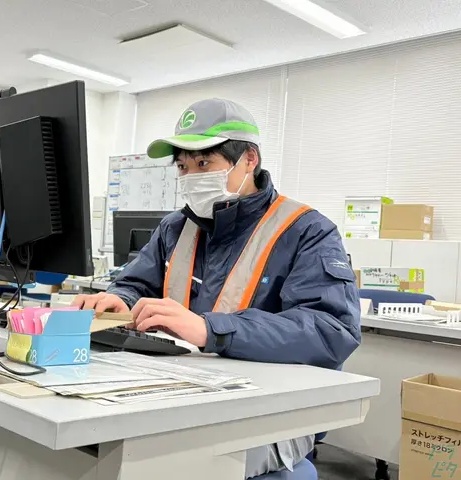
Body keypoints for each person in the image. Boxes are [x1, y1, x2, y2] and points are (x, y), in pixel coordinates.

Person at [73, 99, 361, 478]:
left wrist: (212, 329)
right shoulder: (176, 228)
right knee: (90, 449)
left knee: (166, 464)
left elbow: (332, 330)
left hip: (271, 416)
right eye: (182, 166)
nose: (191, 176)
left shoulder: (307, 230)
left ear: (249, 160)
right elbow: (135, 282)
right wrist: (118, 300)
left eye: (204, 163)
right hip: (177, 395)